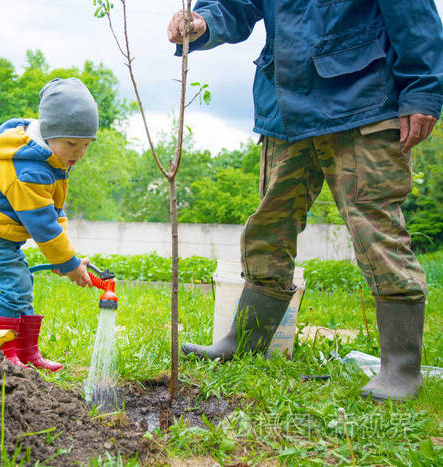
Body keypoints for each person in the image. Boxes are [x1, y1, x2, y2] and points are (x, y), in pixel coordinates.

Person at [168, 1, 443, 401]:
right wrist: (203, 20)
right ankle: (245, 340)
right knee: (268, 225)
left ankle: (401, 367)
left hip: (363, 101)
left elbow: (414, 16)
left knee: (374, 228)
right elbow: (237, 4)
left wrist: (422, 91)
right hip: (286, 105)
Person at [0, 77, 97, 372]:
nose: (79, 153)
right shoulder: (29, 169)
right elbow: (43, 226)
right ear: (49, 132)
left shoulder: (54, 161)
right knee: (15, 287)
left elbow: (56, 212)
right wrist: (70, 265)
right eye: (72, 143)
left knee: (22, 286)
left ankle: (27, 353)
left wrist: (64, 257)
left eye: (86, 145)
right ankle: (0, 355)